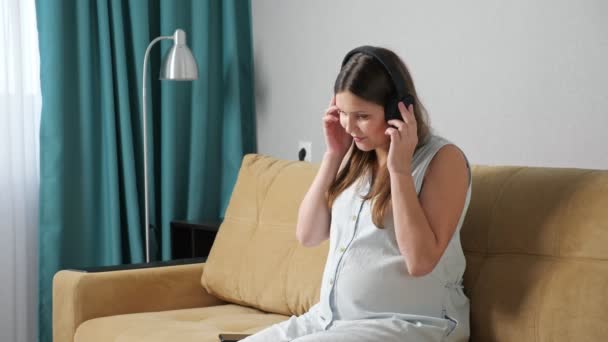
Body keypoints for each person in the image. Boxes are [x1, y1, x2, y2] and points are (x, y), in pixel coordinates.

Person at [241, 45, 472, 342]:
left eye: (362, 115)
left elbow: (420, 261)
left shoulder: (443, 160)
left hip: (411, 324)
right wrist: (333, 154)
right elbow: (308, 234)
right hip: (328, 320)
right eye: (344, 114)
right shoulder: (355, 156)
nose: (350, 126)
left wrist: (399, 171)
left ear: (396, 110)